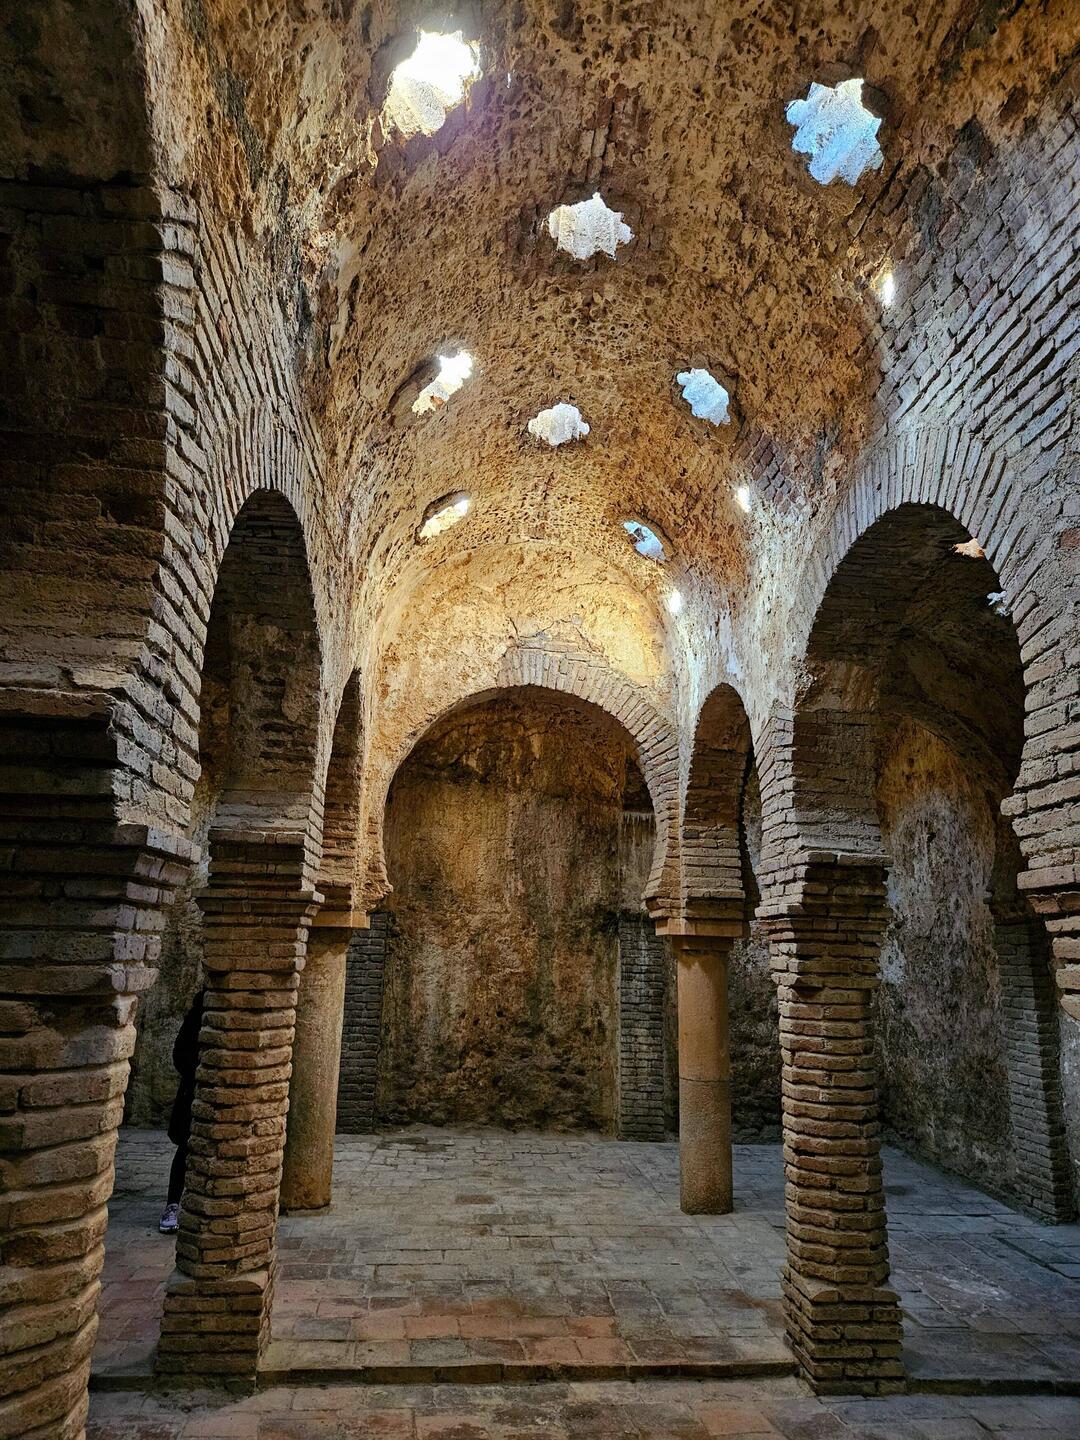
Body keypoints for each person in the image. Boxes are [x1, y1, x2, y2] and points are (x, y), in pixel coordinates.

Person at [159, 988, 205, 1234]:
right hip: (196, 1091)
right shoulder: (200, 1010)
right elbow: (180, 1053)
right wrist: (199, 1075)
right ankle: (173, 1204)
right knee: (187, 1147)